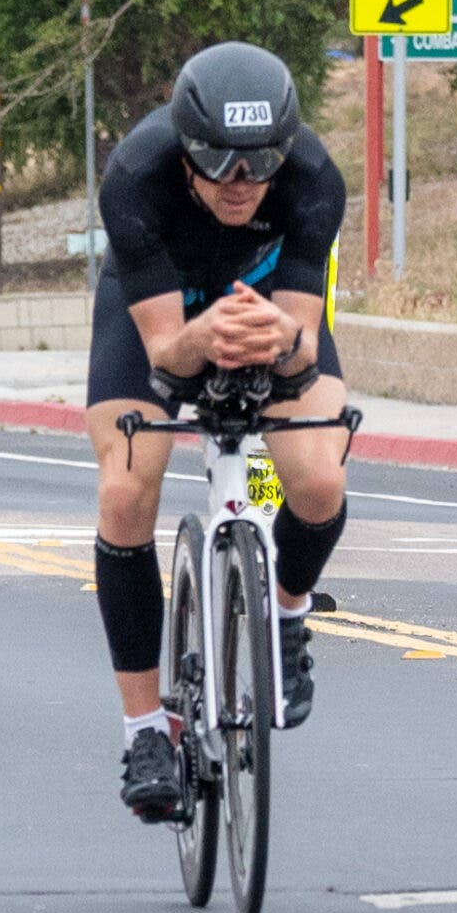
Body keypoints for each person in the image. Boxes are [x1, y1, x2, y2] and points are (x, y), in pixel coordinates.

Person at [84, 41, 350, 825]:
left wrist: (280, 336)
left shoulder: (314, 181)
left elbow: (304, 336)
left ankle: (289, 613)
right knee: (125, 491)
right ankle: (144, 733)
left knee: (320, 480)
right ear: (187, 152)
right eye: (220, 165)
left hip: (267, 306)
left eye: (259, 164)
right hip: (159, 318)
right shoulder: (136, 176)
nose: (242, 185)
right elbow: (167, 351)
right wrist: (205, 337)